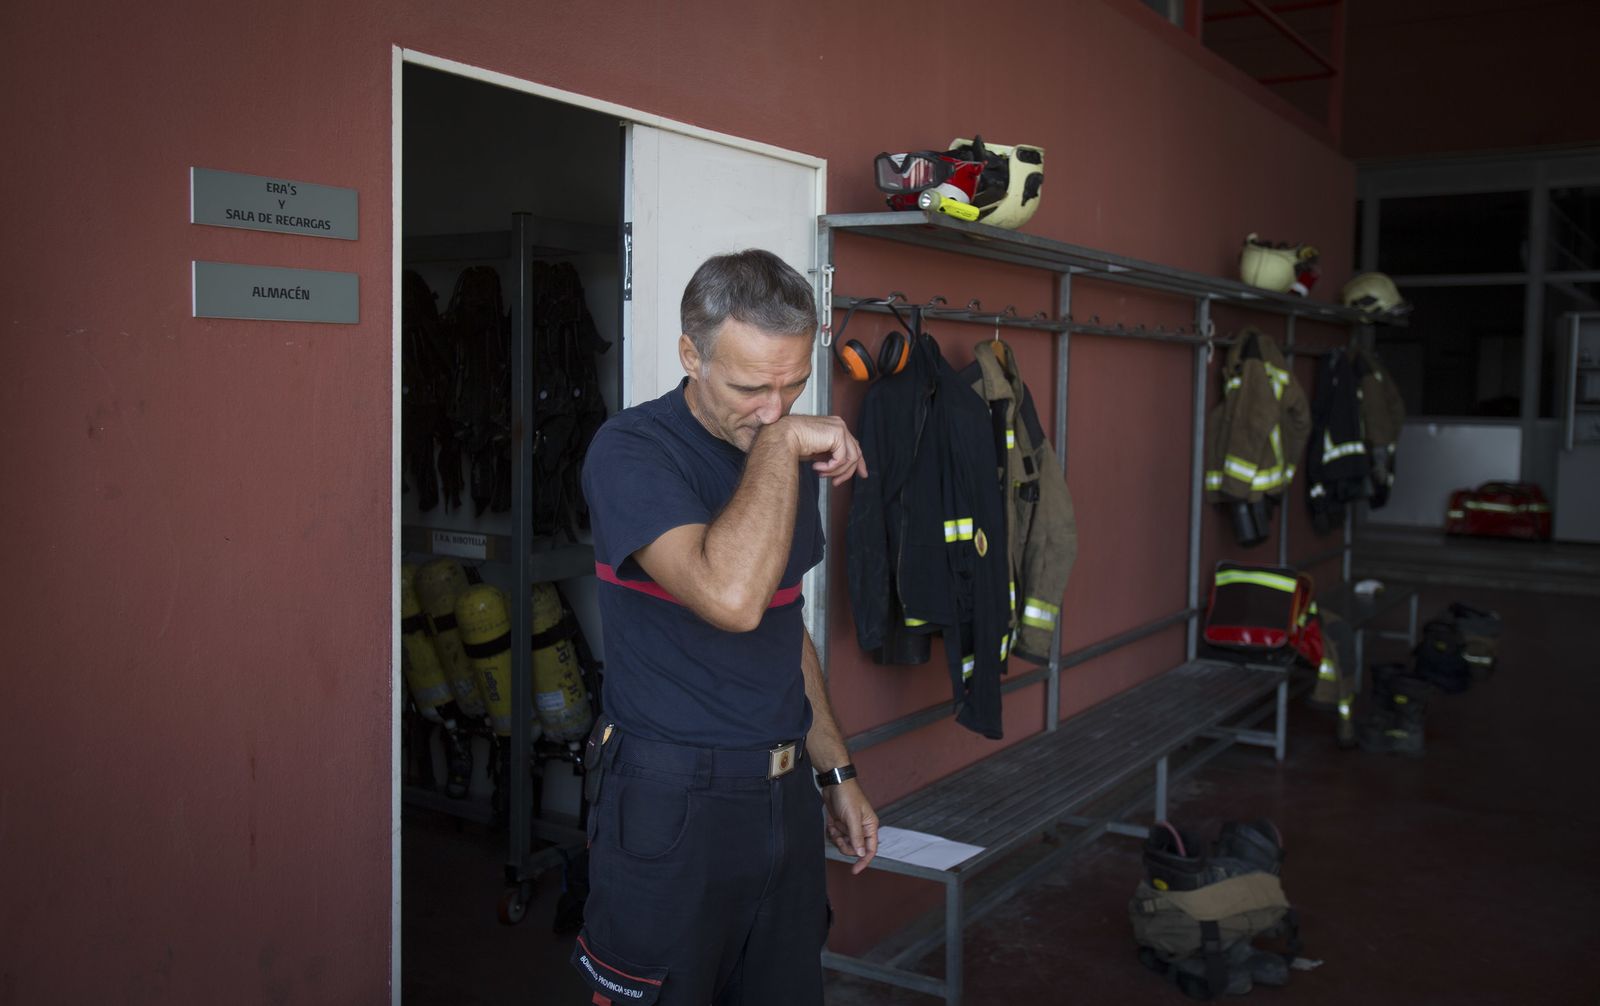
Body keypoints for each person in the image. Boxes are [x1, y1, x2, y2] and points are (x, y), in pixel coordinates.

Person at [570, 249, 879, 1004]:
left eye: (795, 383)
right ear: (690, 354)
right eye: (750, 387)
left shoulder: (778, 451)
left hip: (782, 798)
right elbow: (731, 597)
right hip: (670, 801)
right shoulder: (632, 451)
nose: (775, 409)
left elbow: (779, 619)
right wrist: (782, 445)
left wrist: (835, 771)